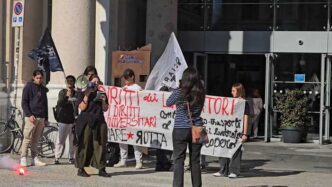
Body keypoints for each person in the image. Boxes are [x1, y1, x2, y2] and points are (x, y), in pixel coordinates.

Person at [166, 67, 205, 187]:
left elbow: (168, 102)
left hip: (180, 128)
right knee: (195, 161)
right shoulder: (201, 92)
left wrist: (178, 88)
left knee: (178, 160)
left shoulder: (179, 92)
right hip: (197, 128)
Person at [75, 73, 110, 177]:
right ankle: (81, 168)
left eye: (97, 82)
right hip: (86, 120)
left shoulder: (102, 93)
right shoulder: (83, 92)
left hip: (99, 120)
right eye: (94, 82)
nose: (96, 83)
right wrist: (87, 95)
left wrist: (103, 100)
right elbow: (81, 107)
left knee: (100, 144)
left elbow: (105, 108)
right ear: (89, 82)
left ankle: (101, 168)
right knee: (85, 144)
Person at [213, 83, 249, 178]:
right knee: (223, 147)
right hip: (227, 130)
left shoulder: (244, 103)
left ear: (239, 91)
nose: (231, 92)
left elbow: (245, 118)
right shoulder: (230, 101)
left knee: (236, 150)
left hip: (237, 130)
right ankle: (223, 170)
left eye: (233, 90)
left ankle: (234, 171)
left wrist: (244, 133)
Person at [114, 68, 144, 169]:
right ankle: (123, 160)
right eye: (125, 78)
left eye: (127, 78)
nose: (126, 80)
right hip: (124, 117)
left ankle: (139, 161)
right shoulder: (124, 88)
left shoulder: (137, 88)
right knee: (122, 139)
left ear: (132, 77)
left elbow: (141, 100)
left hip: (134, 117)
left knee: (135, 140)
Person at [20, 70, 48, 167]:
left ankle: (34, 158)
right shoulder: (28, 87)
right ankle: (23, 157)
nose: (39, 80)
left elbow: (45, 103)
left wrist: (46, 117)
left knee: (36, 139)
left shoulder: (43, 89)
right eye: (37, 78)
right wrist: (29, 114)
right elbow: (24, 102)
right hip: (31, 117)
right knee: (27, 138)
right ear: (33, 77)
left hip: (41, 117)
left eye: (41, 78)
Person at [54, 75, 77, 164]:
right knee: (60, 140)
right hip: (63, 120)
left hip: (73, 120)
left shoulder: (76, 93)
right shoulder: (62, 92)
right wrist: (66, 96)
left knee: (72, 141)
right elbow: (60, 103)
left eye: (71, 81)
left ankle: (71, 157)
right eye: (68, 81)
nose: (69, 82)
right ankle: (57, 157)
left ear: (74, 82)